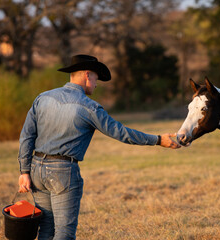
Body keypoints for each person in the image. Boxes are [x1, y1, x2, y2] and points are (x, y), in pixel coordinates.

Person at [17, 54, 180, 240]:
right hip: (63, 172)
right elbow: (121, 133)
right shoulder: (89, 107)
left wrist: (24, 171)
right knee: (64, 234)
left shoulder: (42, 98)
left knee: (46, 230)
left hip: (36, 170)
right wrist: (158, 139)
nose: (97, 83)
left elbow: (26, 136)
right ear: (87, 74)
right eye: (96, 78)